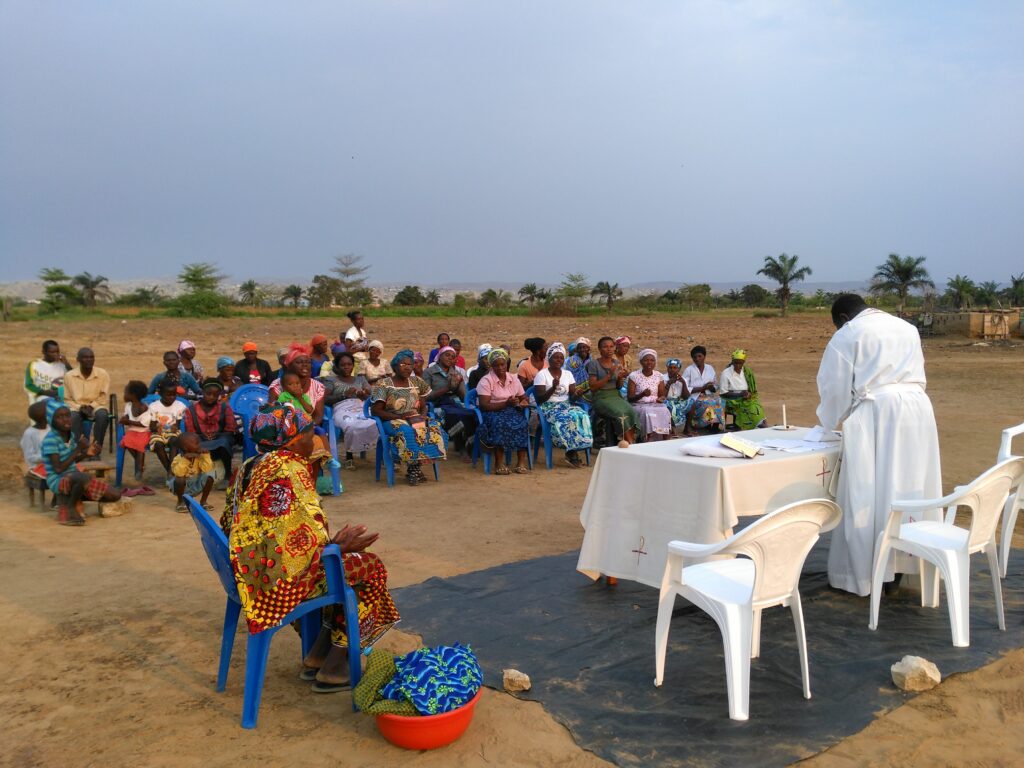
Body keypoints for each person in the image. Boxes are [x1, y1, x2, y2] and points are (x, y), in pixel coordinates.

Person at [221, 404, 399, 692]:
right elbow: (302, 551)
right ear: (292, 439)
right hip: (274, 583)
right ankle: (335, 665)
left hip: (247, 571)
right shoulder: (288, 469)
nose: (313, 437)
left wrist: (333, 546)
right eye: (307, 432)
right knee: (369, 567)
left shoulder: (250, 466)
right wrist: (337, 547)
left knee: (345, 564)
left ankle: (317, 655)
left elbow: (238, 523)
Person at [816, 294, 942, 596]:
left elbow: (834, 387)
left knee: (867, 491)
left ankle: (864, 576)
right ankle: (901, 566)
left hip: (877, 415)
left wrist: (827, 422)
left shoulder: (849, 334)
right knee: (907, 485)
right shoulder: (906, 327)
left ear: (843, 319)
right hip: (918, 411)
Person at [371, 350, 447, 485]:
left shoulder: (417, 381)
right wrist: (399, 416)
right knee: (407, 431)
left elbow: (423, 405)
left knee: (435, 427)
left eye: (410, 364)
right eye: (403, 364)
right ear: (395, 366)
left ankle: (416, 467)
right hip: (392, 419)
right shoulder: (384, 384)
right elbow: (376, 411)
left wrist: (423, 416)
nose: (407, 367)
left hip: (414, 418)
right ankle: (413, 470)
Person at [41, 399, 120, 525]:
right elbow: (58, 469)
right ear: (52, 421)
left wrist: (86, 454)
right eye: (59, 417)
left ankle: (71, 497)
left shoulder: (70, 435)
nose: (66, 419)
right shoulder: (50, 440)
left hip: (74, 476)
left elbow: (72, 460)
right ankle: (70, 508)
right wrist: (78, 448)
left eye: (67, 415)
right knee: (83, 477)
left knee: (115, 494)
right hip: (57, 479)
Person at [533, 343, 592, 468]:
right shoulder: (542, 375)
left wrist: (577, 393)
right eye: (555, 357)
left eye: (561, 357)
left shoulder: (567, 374)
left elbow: (572, 396)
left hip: (566, 405)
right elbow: (540, 399)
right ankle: (571, 453)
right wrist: (553, 388)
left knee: (582, 415)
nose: (559, 360)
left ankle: (579, 447)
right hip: (548, 407)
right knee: (564, 418)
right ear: (549, 358)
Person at [476, 348, 531, 475]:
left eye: (503, 364)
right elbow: (484, 405)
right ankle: (499, 462)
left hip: (511, 410)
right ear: (491, 366)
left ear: (507, 363)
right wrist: (505, 404)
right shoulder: (486, 380)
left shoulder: (513, 378)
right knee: (499, 424)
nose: (500, 368)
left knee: (522, 423)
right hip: (492, 412)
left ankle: (520, 462)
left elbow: (523, 397)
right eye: (496, 365)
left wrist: (523, 402)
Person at [322, 352, 377, 469]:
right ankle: (349, 455)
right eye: (343, 365)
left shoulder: (361, 379)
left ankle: (380, 454)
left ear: (353, 366)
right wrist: (344, 395)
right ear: (336, 367)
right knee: (350, 425)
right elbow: (324, 399)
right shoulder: (331, 380)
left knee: (376, 422)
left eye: (349, 364)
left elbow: (373, 397)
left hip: (361, 406)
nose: (346, 367)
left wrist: (365, 395)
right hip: (342, 408)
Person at [586, 337, 639, 445]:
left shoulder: (616, 362)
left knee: (631, 411)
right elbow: (593, 387)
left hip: (615, 395)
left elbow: (618, 387)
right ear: (600, 349)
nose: (609, 349)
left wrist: (620, 378)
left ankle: (628, 441)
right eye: (605, 347)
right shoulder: (594, 364)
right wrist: (609, 375)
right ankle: (630, 442)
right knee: (620, 413)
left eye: (611, 346)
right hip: (601, 397)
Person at [423, 345, 477, 449]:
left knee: (471, 415)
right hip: (436, 403)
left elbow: (464, 397)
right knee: (457, 417)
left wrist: (459, 384)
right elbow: (426, 396)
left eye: (453, 357)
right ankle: (461, 446)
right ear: (439, 356)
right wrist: (447, 388)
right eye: (447, 355)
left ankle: (468, 445)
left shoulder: (455, 373)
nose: (450, 358)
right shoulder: (429, 372)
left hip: (453, 403)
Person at [184, 380, 237, 478]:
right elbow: (190, 431)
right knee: (188, 442)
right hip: (199, 439)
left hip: (220, 438)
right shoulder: (191, 410)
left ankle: (228, 474)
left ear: (219, 396)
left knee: (224, 442)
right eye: (208, 394)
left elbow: (230, 429)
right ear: (203, 392)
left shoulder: (225, 407)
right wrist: (201, 436)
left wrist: (218, 435)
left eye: (215, 395)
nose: (211, 397)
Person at [64, 347, 111, 448]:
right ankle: (79, 449)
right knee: (73, 417)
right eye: (85, 357)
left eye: (91, 357)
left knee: (102, 416)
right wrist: (79, 408)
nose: (89, 360)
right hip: (76, 406)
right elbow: (67, 399)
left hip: (96, 405)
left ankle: (96, 448)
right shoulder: (69, 376)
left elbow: (103, 396)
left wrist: (91, 406)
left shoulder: (102, 374)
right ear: (78, 359)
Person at [269, 344, 326, 425]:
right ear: (289, 365)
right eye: (299, 362)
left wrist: (307, 427)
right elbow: (273, 413)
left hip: (309, 427)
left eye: (308, 362)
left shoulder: (318, 387)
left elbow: (318, 415)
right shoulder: (277, 385)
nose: (305, 365)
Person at [143, 380, 188, 475]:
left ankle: (170, 471)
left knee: (174, 441)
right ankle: (170, 470)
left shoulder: (179, 406)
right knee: (158, 445)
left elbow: (178, 425)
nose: (172, 397)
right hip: (158, 433)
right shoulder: (154, 406)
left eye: (174, 395)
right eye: (168, 395)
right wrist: (156, 428)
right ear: (160, 394)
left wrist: (175, 427)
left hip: (172, 432)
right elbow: (152, 426)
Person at [627, 349, 671, 441]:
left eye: (652, 360)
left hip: (655, 404)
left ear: (655, 362)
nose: (649, 363)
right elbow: (630, 398)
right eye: (646, 360)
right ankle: (647, 438)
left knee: (665, 410)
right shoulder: (634, 376)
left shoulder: (659, 375)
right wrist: (642, 394)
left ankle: (665, 439)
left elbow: (662, 395)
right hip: (639, 404)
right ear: (641, 362)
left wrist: (661, 399)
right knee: (648, 412)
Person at [719, 349, 767, 430]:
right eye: (735, 363)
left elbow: (752, 389)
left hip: (745, 396)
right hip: (730, 398)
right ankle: (744, 426)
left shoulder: (747, 372)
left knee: (755, 406)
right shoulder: (726, 373)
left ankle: (760, 423)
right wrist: (740, 394)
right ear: (732, 361)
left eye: (740, 363)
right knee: (744, 407)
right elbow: (723, 393)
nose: (737, 365)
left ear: (743, 362)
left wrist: (748, 394)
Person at [168, 432, 216, 512]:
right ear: (186, 448)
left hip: (196, 485)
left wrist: (206, 456)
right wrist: (185, 459)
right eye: (196, 443)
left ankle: (203, 502)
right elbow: (178, 473)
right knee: (179, 479)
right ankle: (180, 502)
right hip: (180, 487)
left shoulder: (200, 457)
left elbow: (207, 469)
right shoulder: (178, 458)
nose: (199, 445)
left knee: (210, 477)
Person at [682, 345, 724, 431]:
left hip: (708, 395)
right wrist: (703, 388)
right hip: (694, 397)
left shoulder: (710, 368)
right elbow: (684, 389)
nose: (697, 359)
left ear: (704, 356)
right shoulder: (689, 370)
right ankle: (706, 425)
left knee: (721, 401)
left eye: (699, 356)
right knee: (710, 402)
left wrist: (712, 387)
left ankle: (715, 425)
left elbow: (715, 386)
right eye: (695, 357)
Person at [119, 380, 150, 481]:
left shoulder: (143, 407)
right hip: (132, 431)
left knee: (139, 445)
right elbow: (127, 415)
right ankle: (140, 463)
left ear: (133, 395)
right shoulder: (128, 405)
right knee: (126, 442)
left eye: (126, 392)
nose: (124, 395)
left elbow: (144, 424)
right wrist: (124, 418)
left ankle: (139, 470)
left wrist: (128, 422)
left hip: (143, 432)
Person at [24, 339, 68, 404]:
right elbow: (28, 385)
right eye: (52, 352)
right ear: (44, 352)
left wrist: (67, 364)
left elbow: (74, 381)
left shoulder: (63, 366)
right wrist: (45, 392)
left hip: (60, 398)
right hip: (41, 398)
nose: (56, 354)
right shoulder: (34, 365)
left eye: (57, 352)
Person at [664, 358, 692, 434]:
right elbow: (662, 396)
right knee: (667, 405)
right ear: (667, 368)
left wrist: (683, 383)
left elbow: (686, 396)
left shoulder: (683, 379)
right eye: (670, 367)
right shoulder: (663, 378)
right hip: (666, 400)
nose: (672, 370)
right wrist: (669, 383)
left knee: (691, 402)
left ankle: (687, 428)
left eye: (675, 368)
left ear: (679, 369)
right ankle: (671, 429)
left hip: (678, 400)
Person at [21, 400, 49, 477]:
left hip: (53, 463)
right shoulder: (29, 433)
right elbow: (30, 457)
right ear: (44, 418)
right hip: (37, 467)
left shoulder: (50, 428)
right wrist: (49, 456)